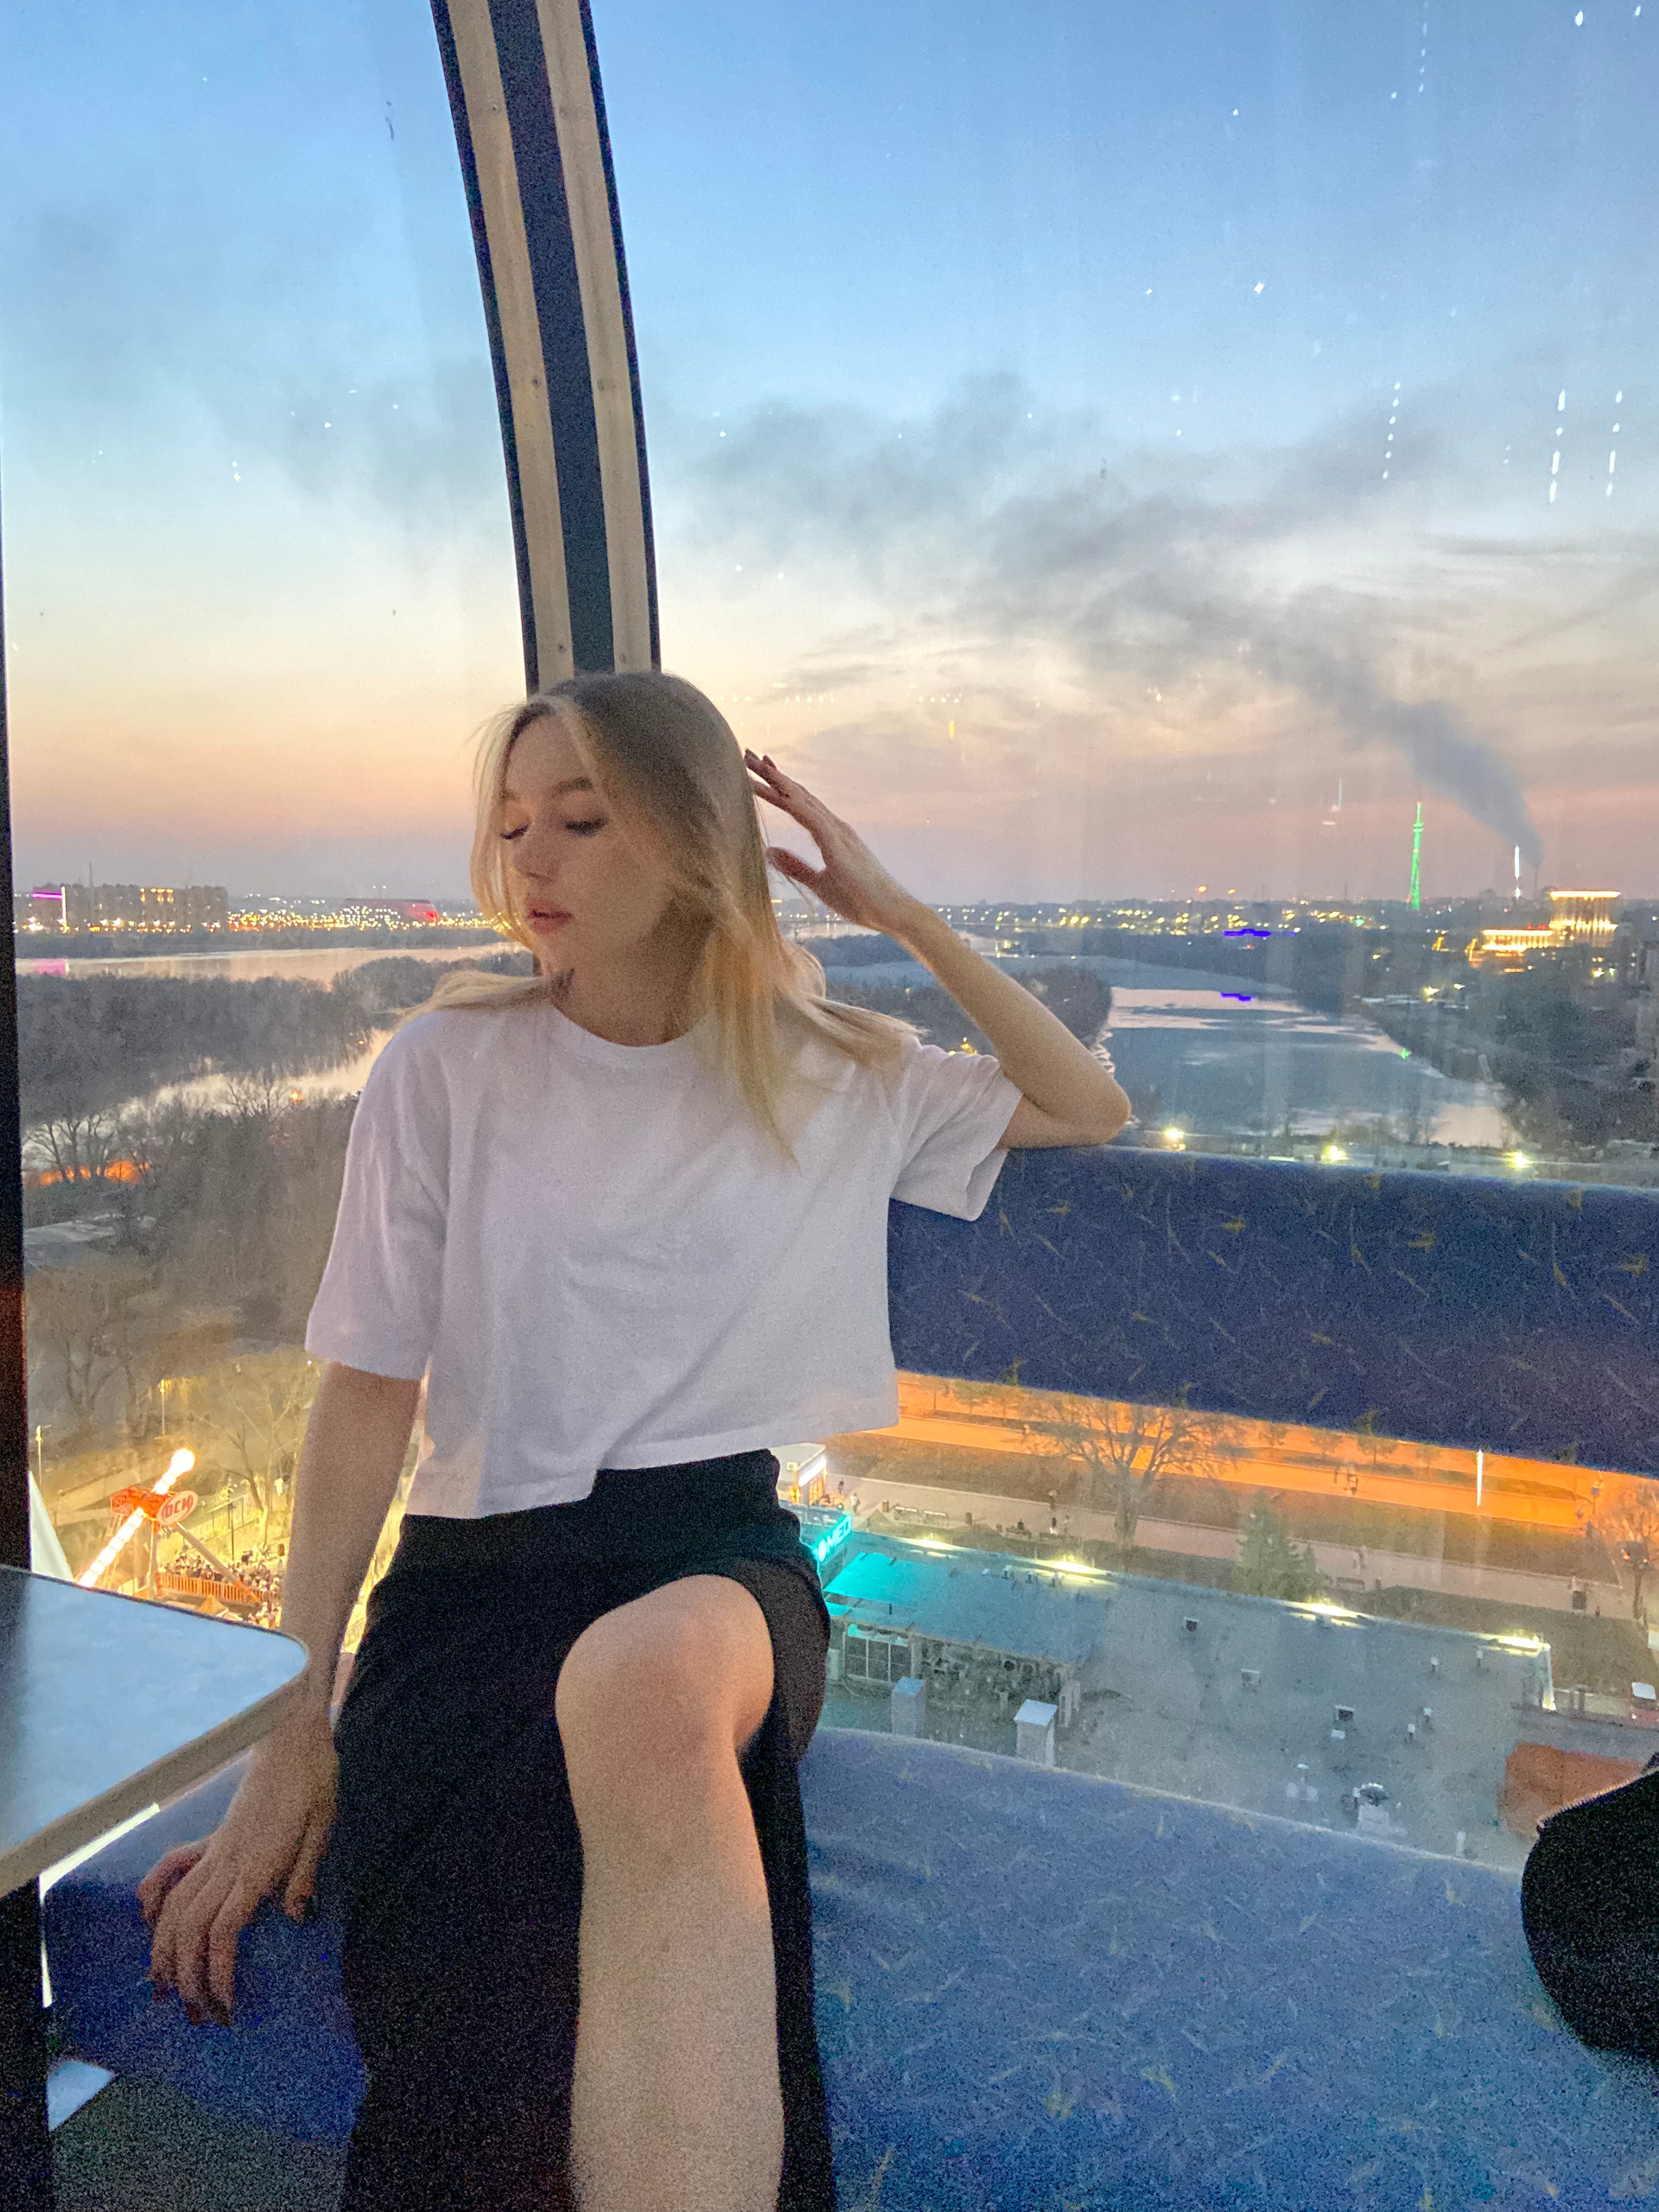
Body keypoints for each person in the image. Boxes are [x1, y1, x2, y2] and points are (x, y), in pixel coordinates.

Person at [137, 670, 1129, 2212]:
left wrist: (893, 908)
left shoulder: (828, 1066)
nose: (531, 858)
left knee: (640, 1689)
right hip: (471, 1583)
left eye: (584, 820)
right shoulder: (442, 1070)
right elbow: (366, 1394)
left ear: (691, 843)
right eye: (512, 823)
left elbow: (1086, 1104)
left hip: (711, 1565)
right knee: (485, 1998)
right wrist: (292, 1725)